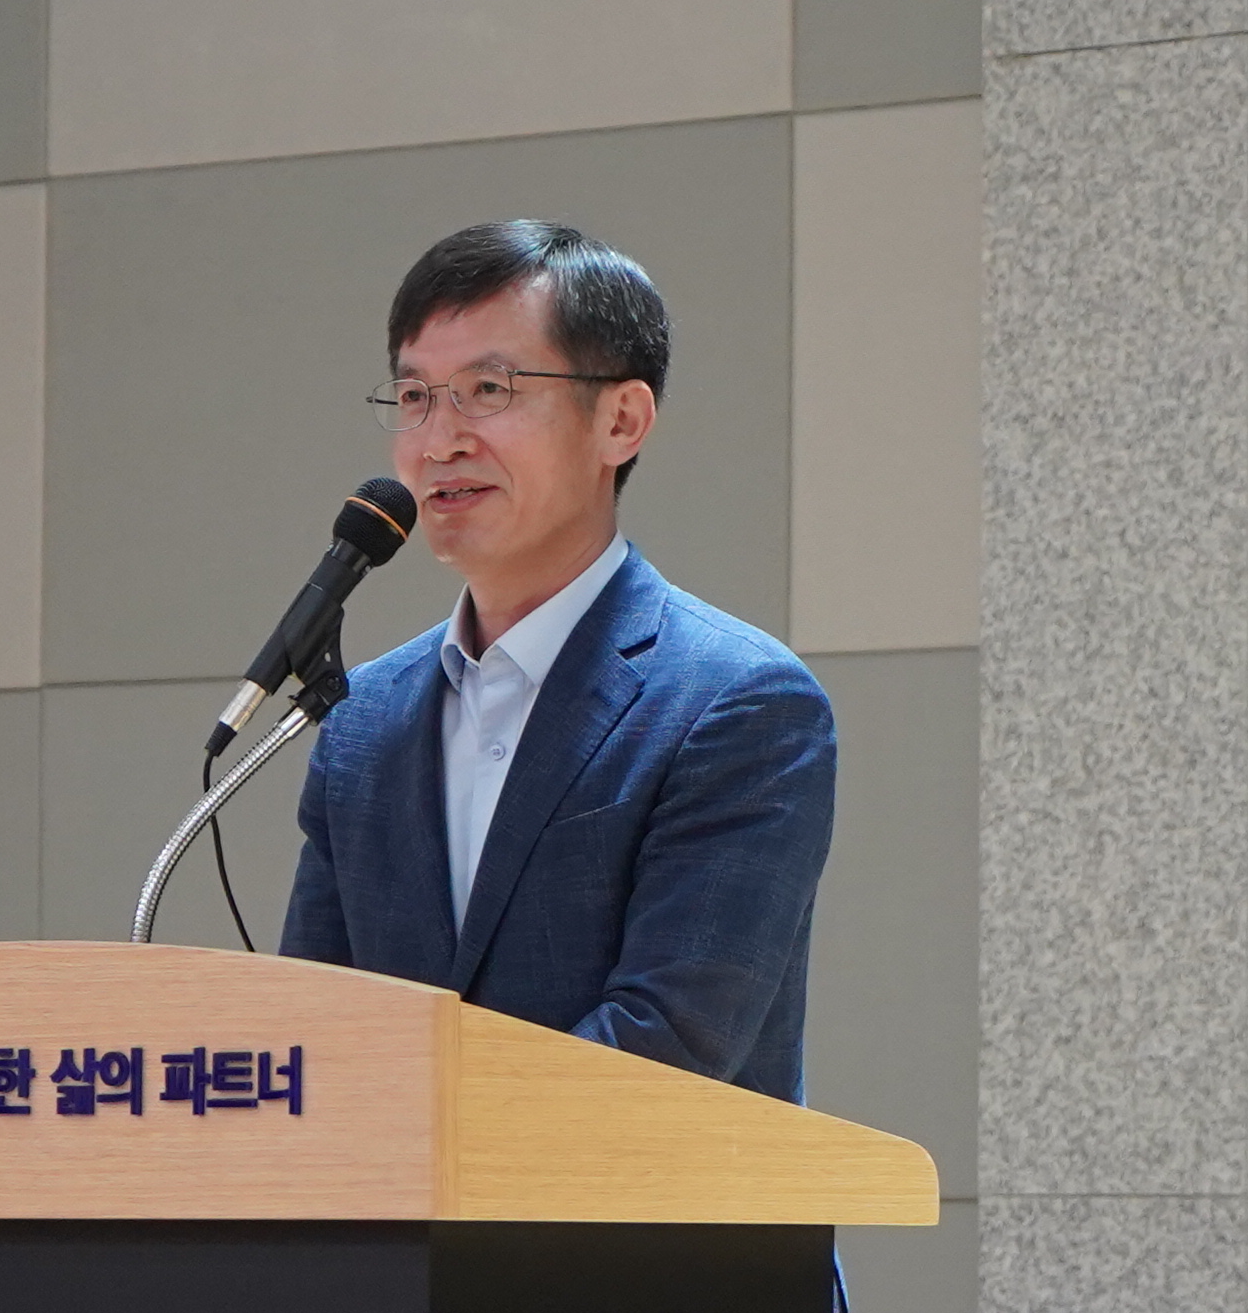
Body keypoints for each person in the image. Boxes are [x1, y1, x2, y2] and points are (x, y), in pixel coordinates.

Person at [280, 221, 839, 1108]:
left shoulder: (737, 704)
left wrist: (408, 1132)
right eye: (416, 396)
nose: (440, 440)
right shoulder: (363, 720)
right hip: (395, 1203)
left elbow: (667, 1046)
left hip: (639, 1202)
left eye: (488, 390)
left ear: (621, 421)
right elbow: (316, 1035)